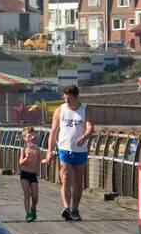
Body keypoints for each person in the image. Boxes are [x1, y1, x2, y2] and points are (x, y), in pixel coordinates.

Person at [47, 85, 93, 220]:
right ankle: (66, 207)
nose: (67, 101)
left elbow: (90, 127)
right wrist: (50, 150)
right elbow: (53, 131)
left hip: (80, 151)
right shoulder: (60, 110)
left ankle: (75, 209)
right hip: (64, 149)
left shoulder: (85, 110)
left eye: (70, 99)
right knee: (65, 177)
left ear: (77, 97)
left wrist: (84, 136)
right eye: (65, 98)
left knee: (78, 181)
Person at [18, 127, 44, 221]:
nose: (32, 137)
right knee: (27, 194)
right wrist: (26, 158)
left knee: (35, 196)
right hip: (24, 174)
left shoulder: (37, 149)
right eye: (29, 135)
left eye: (33, 135)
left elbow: (41, 160)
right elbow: (20, 162)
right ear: (25, 138)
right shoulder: (24, 149)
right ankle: (28, 214)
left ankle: (33, 207)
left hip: (33, 174)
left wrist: (48, 159)